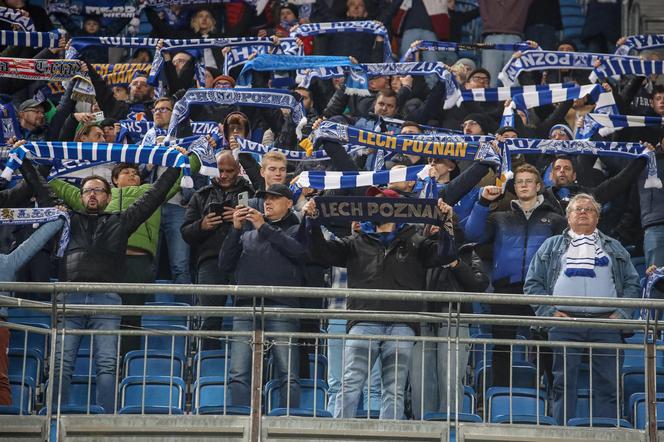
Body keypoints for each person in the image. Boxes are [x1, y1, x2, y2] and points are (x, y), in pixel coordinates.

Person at [19, 156, 180, 414]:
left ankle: (105, 419)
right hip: (70, 299)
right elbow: (42, 189)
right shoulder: (66, 220)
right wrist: (25, 162)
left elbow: (155, 195)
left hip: (107, 299)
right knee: (61, 364)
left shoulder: (121, 221)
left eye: (98, 190)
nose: (92, 194)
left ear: (108, 196)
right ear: (81, 196)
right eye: (87, 190)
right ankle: (53, 417)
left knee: (106, 364)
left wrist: (177, 164)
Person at [304, 188, 458, 419]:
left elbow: (446, 255)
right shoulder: (356, 242)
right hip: (363, 321)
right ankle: (337, 434)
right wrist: (312, 223)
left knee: (393, 389)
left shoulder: (417, 242)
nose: (374, 207)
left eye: (381, 203)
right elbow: (320, 253)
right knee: (350, 383)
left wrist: (446, 223)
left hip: (401, 323)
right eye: (372, 203)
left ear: (397, 210)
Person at [524, 193, 640, 425]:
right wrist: (549, 313)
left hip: (606, 323)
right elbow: (532, 283)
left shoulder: (614, 246)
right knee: (562, 383)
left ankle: (605, 433)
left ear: (598, 217)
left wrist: (622, 314)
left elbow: (632, 283)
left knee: (608, 383)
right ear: (568, 217)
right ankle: (562, 434)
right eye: (578, 209)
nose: (583, 212)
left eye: (589, 209)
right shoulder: (551, 246)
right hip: (564, 322)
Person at [464, 164, 567, 388]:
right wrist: (483, 203)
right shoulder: (500, 217)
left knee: (546, 346)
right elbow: (472, 234)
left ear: (538, 186)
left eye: (528, 181)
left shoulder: (556, 219)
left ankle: (549, 398)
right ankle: (501, 398)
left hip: (541, 290)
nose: (523, 185)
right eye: (519, 181)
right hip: (505, 288)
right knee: (502, 347)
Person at [219, 184, 307, 408]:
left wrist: (263, 227)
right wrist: (236, 229)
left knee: (288, 372)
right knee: (238, 371)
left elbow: (298, 253)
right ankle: (239, 424)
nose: (267, 202)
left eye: (275, 198)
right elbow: (224, 264)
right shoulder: (247, 234)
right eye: (266, 198)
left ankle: (288, 427)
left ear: (289, 203)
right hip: (246, 306)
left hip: (282, 307)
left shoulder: (297, 230)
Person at [181, 151, 254, 349]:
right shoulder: (201, 195)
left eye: (229, 171)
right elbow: (186, 233)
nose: (224, 175)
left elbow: (262, 227)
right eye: (220, 170)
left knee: (246, 318)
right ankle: (206, 367)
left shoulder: (251, 194)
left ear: (238, 171)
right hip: (210, 260)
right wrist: (202, 225)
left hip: (243, 260)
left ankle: (244, 367)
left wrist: (241, 220)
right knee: (210, 319)